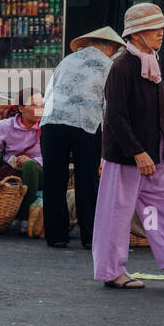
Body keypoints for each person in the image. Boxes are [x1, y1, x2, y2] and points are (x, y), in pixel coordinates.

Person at [92, 3, 164, 290]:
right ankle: (112, 271)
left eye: (161, 28)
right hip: (128, 155)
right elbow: (114, 115)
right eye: (155, 29)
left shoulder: (152, 60)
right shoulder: (122, 65)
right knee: (117, 213)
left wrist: (156, 150)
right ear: (137, 34)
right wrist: (137, 151)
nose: (161, 33)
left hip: (156, 155)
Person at [39, 26, 124, 249]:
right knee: (87, 180)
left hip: (51, 122)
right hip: (85, 123)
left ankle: (56, 237)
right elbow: (110, 104)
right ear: (111, 47)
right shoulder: (109, 65)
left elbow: (51, 91)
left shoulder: (66, 61)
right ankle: (90, 237)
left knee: (53, 180)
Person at [0, 91, 44, 222]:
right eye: (34, 105)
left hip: (37, 173)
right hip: (9, 170)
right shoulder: (6, 125)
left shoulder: (46, 127)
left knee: (29, 166)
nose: (40, 110)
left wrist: (33, 160)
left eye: (42, 105)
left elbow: (53, 156)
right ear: (21, 108)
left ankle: (25, 218)